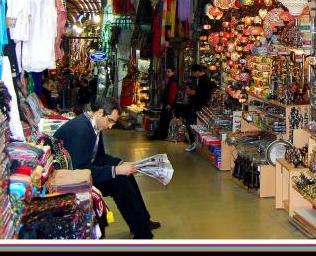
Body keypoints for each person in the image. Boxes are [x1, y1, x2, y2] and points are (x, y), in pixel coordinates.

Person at [53, 96, 160, 239]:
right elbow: (80, 170)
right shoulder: (82, 130)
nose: (110, 126)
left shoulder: (93, 125)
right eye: (110, 121)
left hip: (84, 169)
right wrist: (115, 170)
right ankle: (142, 232)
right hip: (73, 178)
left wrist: (120, 163)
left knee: (127, 175)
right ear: (100, 112)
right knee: (121, 183)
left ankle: (143, 222)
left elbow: (99, 156)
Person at [185, 65, 215, 152]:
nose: (193, 74)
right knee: (192, 124)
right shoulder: (204, 79)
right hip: (200, 106)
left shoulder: (204, 80)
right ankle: (194, 143)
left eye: (193, 72)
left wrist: (191, 92)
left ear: (198, 71)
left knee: (190, 124)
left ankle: (194, 143)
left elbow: (200, 94)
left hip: (199, 106)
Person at [149, 67, 178, 141]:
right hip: (167, 104)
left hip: (168, 104)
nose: (167, 73)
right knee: (163, 120)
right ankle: (161, 135)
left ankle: (161, 136)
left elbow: (172, 94)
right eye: (166, 72)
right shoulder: (170, 80)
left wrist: (169, 104)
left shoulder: (173, 82)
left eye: (169, 71)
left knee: (164, 120)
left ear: (173, 72)